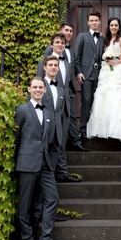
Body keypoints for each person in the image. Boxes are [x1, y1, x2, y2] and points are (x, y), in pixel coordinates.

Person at [15, 77, 69, 240]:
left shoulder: (49, 113)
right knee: (25, 205)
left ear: (45, 90)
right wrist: (19, 162)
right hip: (27, 163)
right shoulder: (22, 110)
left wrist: (51, 162)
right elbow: (17, 139)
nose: (38, 90)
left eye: (41, 87)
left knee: (52, 198)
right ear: (29, 89)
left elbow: (52, 141)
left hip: (46, 164)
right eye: (35, 87)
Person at [37, 33, 81, 183]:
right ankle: (49, 174)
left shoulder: (67, 63)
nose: (60, 45)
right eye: (57, 42)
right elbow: (39, 82)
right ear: (52, 45)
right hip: (48, 107)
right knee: (48, 140)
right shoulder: (46, 62)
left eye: (62, 43)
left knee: (61, 140)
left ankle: (62, 172)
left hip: (64, 107)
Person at [86, 17, 121, 144]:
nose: (114, 27)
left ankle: (117, 131)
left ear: (119, 27)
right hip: (106, 72)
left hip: (117, 71)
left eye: (116, 25)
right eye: (112, 25)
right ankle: (104, 129)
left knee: (117, 98)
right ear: (109, 26)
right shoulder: (106, 40)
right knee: (103, 97)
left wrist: (114, 62)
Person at [44, 24, 87, 152]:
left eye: (70, 31)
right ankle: (59, 143)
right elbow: (44, 68)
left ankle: (75, 140)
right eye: (66, 30)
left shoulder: (71, 50)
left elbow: (74, 64)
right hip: (55, 89)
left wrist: (78, 72)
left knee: (71, 115)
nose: (68, 33)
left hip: (69, 88)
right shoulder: (50, 51)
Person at [74, 11, 104, 138]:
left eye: (96, 20)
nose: (94, 22)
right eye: (91, 20)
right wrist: (79, 72)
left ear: (99, 21)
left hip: (101, 75)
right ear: (88, 22)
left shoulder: (103, 38)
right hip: (86, 75)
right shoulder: (82, 36)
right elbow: (76, 56)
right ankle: (82, 130)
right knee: (86, 100)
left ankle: (95, 129)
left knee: (97, 102)